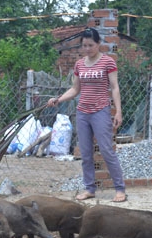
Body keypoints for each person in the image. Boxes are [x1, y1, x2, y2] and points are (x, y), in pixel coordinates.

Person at [47, 27, 127, 202]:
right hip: (83, 113)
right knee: (85, 152)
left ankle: (120, 189)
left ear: (98, 44)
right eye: (84, 45)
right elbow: (75, 89)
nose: (88, 49)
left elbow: (114, 88)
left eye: (91, 45)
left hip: (101, 111)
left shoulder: (108, 62)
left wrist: (118, 112)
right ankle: (89, 188)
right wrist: (58, 99)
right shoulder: (80, 64)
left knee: (107, 150)